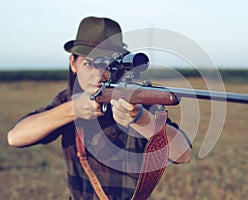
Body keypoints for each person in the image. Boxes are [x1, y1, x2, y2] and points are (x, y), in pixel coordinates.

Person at [7, 16, 192, 200]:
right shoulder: (68, 99)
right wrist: (73, 110)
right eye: (88, 63)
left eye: (107, 65)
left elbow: (183, 155)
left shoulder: (136, 97)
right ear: (73, 63)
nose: (98, 75)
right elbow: (16, 137)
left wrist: (141, 119)